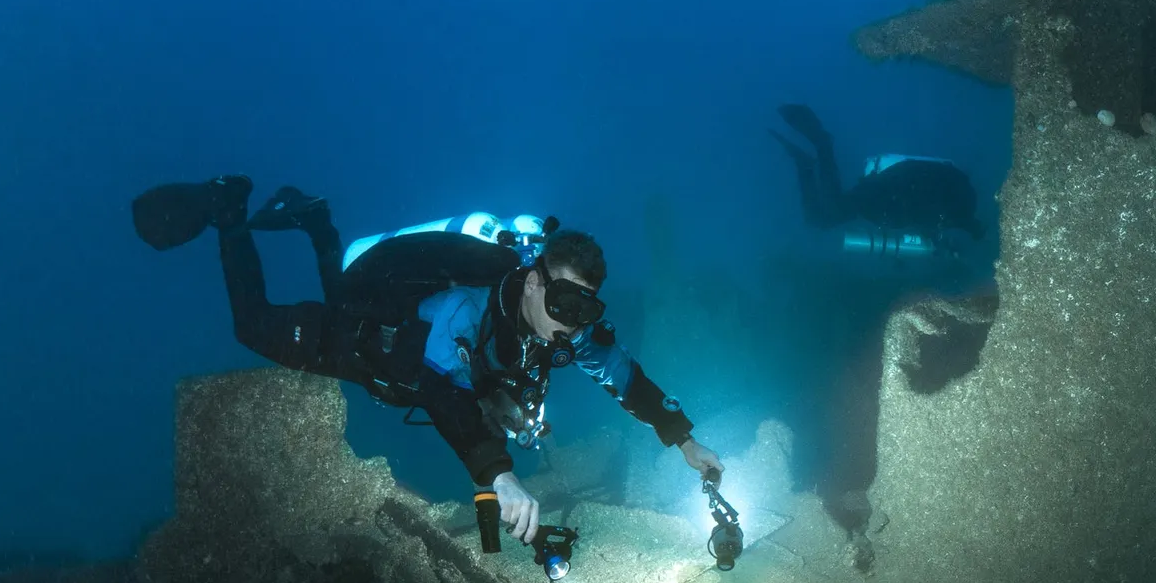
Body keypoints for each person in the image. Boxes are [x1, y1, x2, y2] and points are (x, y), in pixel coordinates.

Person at [131, 176, 720, 545]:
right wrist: (500, 475)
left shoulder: (568, 330)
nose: (572, 322)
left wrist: (685, 439)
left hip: (407, 365)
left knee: (338, 284)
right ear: (535, 282)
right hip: (369, 346)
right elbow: (443, 387)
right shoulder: (469, 306)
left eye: (585, 309)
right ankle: (228, 210)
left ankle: (317, 221)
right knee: (253, 326)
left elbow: (624, 377)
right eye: (564, 301)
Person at [771, 103, 985, 246]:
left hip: (885, 203)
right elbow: (919, 196)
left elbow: (946, 220)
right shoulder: (955, 202)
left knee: (819, 220)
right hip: (887, 194)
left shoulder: (957, 201)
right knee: (830, 210)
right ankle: (822, 145)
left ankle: (806, 165)